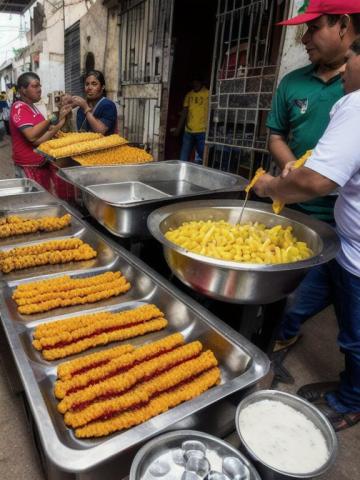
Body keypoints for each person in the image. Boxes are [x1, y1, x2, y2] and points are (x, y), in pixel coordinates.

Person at [253, 37, 360, 431]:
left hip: (355, 249)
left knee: (355, 337)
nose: (348, 67)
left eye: (356, 57)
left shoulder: (357, 104)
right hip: (343, 241)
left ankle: (350, 401)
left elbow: (317, 180)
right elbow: (330, 173)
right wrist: (296, 171)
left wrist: (269, 187)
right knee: (299, 305)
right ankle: (345, 384)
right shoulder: (306, 86)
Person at [268, 0, 360, 353]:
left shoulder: (354, 88)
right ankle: (284, 333)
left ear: (343, 25)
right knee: (294, 294)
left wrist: (291, 183)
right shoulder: (292, 83)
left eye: (314, 27)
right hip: (298, 210)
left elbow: (322, 178)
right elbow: (276, 135)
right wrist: (292, 167)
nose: (304, 38)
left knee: (346, 311)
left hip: (340, 216)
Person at [9, 72, 71, 190]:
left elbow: (39, 140)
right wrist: (52, 119)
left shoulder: (32, 108)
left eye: (40, 86)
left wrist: (60, 122)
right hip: (28, 166)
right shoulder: (19, 108)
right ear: (23, 90)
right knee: (32, 203)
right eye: (35, 86)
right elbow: (32, 136)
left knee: (43, 200)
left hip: (40, 163)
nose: (39, 90)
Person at [172, 78, 209, 163]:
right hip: (188, 131)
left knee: (203, 157)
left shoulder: (208, 94)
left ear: (201, 82)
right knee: (183, 157)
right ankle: (181, 174)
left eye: (197, 81)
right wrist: (178, 129)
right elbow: (184, 112)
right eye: (193, 82)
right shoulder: (189, 95)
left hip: (202, 131)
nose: (195, 84)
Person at [72, 70, 117, 136]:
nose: (89, 88)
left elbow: (100, 130)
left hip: (104, 145)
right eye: (87, 84)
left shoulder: (108, 106)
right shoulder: (80, 109)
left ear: (102, 87)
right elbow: (81, 133)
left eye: (94, 84)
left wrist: (86, 108)